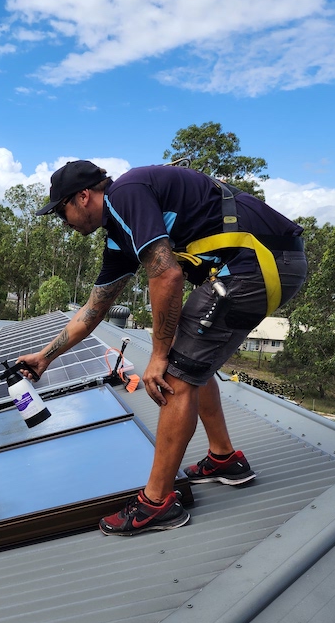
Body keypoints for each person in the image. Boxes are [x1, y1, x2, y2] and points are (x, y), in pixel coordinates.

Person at [19, 160, 307, 536]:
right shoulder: (119, 234)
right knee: (193, 364)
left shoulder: (125, 195)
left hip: (259, 262)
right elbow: (93, 309)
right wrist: (45, 357)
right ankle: (224, 458)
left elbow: (166, 274)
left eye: (62, 212)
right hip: (265, 261)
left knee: (173, 376)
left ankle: (157, 503)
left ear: (83, 196)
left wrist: (158, 355)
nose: (64, 222)